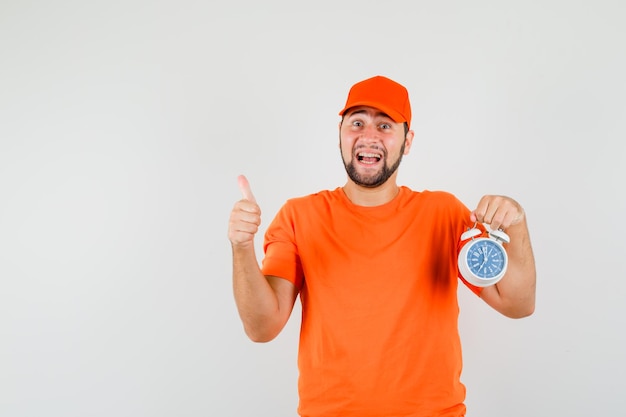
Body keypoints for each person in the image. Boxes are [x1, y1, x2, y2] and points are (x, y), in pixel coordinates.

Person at [228, 75, 536, 417]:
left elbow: (517, 303)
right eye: (357, 122)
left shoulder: (444, 214)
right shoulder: (299, 216)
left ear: (407, 142)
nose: (369, 136)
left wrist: (517, 225)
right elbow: (261, 327)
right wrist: (242, 247)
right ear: (341, 134)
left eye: (385, 125)